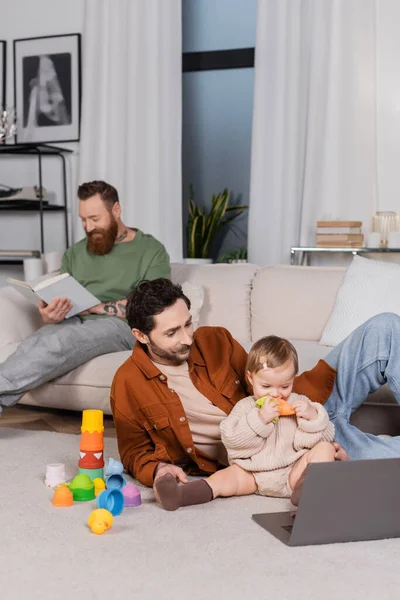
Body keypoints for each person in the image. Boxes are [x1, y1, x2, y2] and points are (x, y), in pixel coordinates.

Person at [111, 278, 362, 509]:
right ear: (141, 335)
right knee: (377, 466)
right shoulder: (127, 382)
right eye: (172, 332)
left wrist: (317, 434)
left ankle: (323, 472)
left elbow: (263, 382)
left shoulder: (216, 340)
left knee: (382, 331)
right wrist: (158, 469)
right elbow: (134, 452)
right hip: (249, 463)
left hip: (303, 426)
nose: (188, 338)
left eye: (188, 324)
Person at [0, 180, 170, 413]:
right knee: (34, 343)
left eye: (95, 219)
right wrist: (51, 314)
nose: (89, 227)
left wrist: (94, 308)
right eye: (83, 220)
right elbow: (62, 297)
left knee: (60, 343)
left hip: (120, 327)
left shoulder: (151, 250)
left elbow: (153, 305)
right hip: (73, 321)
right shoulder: (75, 253)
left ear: (116, 210)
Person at [154, 336, 336, 511]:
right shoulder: (245, 408)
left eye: (285, 386)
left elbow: (324, 437)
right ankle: (179, 495)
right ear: (250, 378)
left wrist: (312, 418)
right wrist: (259, 421)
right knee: (224, 477)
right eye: (266, 387)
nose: (276, 394)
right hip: (253, 475)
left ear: (293, 379)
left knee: (325, 449)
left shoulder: (301, 403)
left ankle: (309, 491)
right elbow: (232, 442)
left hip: (293, 473)